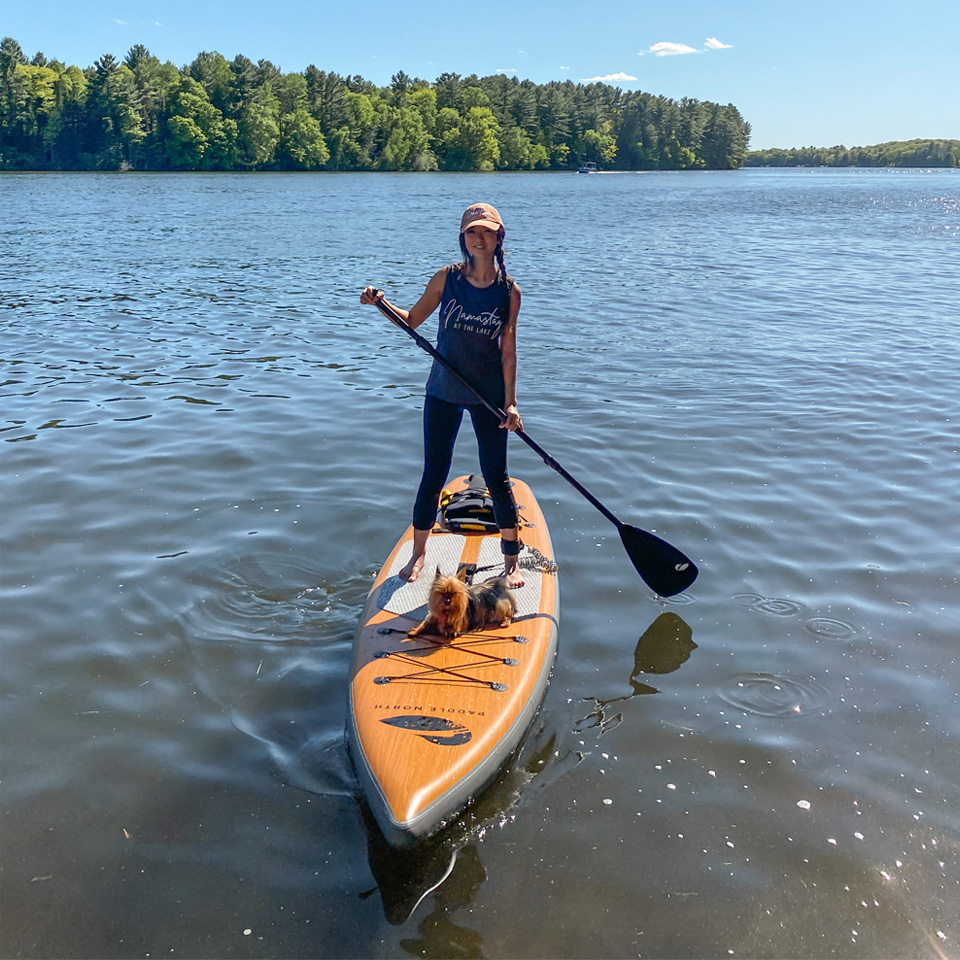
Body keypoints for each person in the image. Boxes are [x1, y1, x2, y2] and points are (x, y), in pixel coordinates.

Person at [360, 202, 525, 588]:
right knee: (433, 471)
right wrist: (380, 302)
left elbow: (508, 349)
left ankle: (511, 562)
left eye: (486, 231)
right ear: (463, 238)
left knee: (498, 476)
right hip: (443, 391)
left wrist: (512, 403)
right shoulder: (446, 279)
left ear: (499, 236)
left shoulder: (508, 291)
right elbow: (412, 320)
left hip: (488, 395)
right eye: (471, 232)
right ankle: (418, 556)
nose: (478, 238)